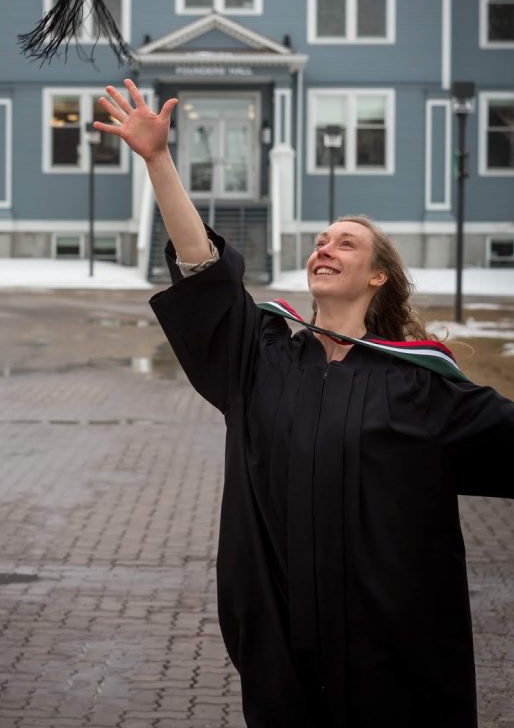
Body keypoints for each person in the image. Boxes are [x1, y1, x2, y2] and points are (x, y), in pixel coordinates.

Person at [94, 79, 514, 728]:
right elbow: (205, 270)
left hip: (397, 668)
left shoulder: (419, 383)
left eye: (346, 242)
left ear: (378, 277)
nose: (326, 247)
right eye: (321, 240)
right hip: (284, 658)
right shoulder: (262, 359)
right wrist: (158, 162)